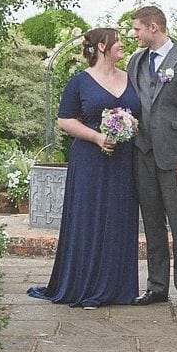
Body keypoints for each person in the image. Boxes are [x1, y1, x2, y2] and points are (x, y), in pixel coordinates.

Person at [27, 28, 141, 308]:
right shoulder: (79, 82)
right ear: (102, 46)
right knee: (88, 219)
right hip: (90, 160)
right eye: (118, 41)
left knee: (119, 219)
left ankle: (118, 289)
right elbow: (65, 120)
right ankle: (85, 286)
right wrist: (97, 137)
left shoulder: (131, 79)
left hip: (124, 161)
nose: (123, 44)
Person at [128, 5, 177, 310]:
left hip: (175, 157)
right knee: (151, 223)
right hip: (142, 153)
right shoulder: (136, 61)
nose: (133, 34)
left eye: (136, 28)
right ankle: (156, 287)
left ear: (153, 28)